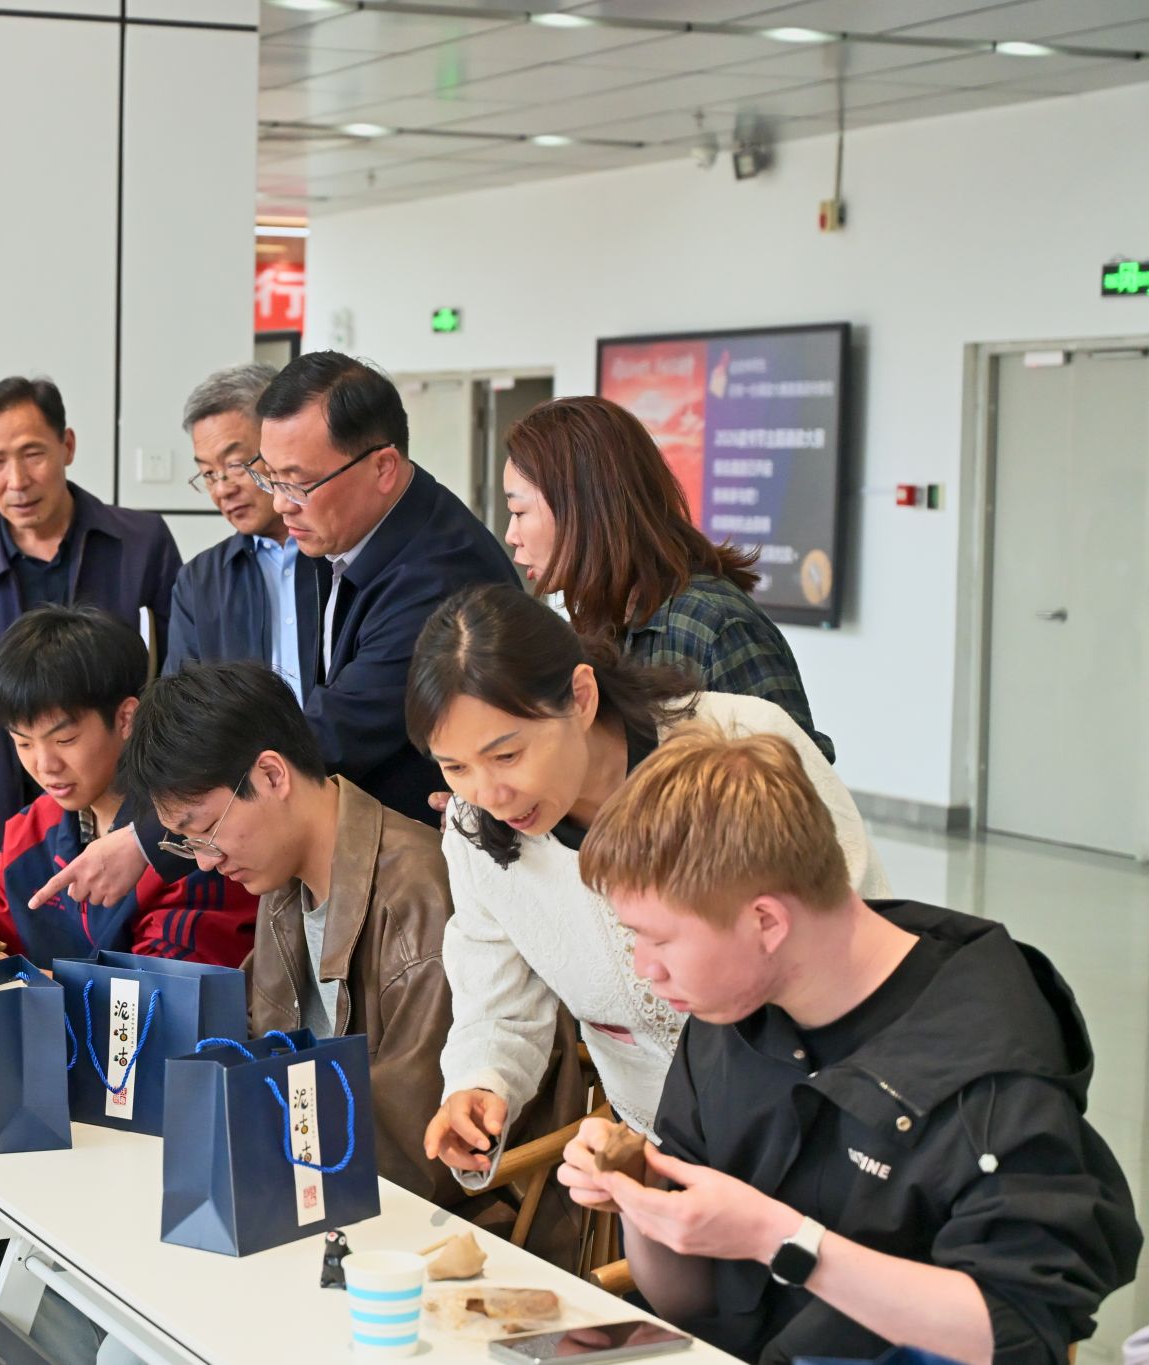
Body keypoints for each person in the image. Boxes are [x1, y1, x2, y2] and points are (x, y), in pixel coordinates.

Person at [561, 728, 1141, 1365]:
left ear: (766, 922)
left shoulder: (989, 1070)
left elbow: (1018, 1334)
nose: (645, 968)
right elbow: (688, 1304)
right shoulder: (731, 1014)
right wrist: (639, 1197)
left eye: (660, 940)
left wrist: (781, 1238)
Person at [407, 584, 889, 1186]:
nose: (489, 794)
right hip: (659, 1150)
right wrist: (481, 1085)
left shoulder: (740, 746)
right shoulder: (476, 831)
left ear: (582, 697)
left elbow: (859, 937)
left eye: (507, 756)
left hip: (820, 1128)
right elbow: (496, 1003)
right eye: (455, 767)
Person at [32, 350, 514, 910]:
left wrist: (150, 839)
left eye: (299, 482)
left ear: (383, 467)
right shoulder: (334, 536)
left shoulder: (438, 570)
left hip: (428, 874)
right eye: (270, 477)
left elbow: (337, 728)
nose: (281, 504)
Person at [119, 658, 458, 1205]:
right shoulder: (281, 879)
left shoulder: (420, 895)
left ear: (272, 775)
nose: (205, 861)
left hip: (408, 1210)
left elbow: (420, 1141)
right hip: (311, 1178)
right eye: (187, 842)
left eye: (205, 830)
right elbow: (251, 1037)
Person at [0, 605, 253, 971]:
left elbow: (167, 993)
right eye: (24, 743)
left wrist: (14, 976)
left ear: (126, 718)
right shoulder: (35, 826)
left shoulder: (187, 839)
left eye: (65, 739)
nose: (45, 766)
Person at [0, 377, 181, 877]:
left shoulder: (141, 544)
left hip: (127, 826)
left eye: (32, 454)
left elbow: (179, 677)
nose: (16, 480)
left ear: (67, 446)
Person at [502, 395, 832, 760]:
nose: (511, 535)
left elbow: (793, 783)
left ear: (581, 508)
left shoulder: (714, 628)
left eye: (519, 511)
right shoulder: (604, 617)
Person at [164, 364, 301, 690]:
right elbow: (180, 700)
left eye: (236, 465)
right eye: (209, 474)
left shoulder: (340, 553)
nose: (222, 489)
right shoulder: (199, 581)